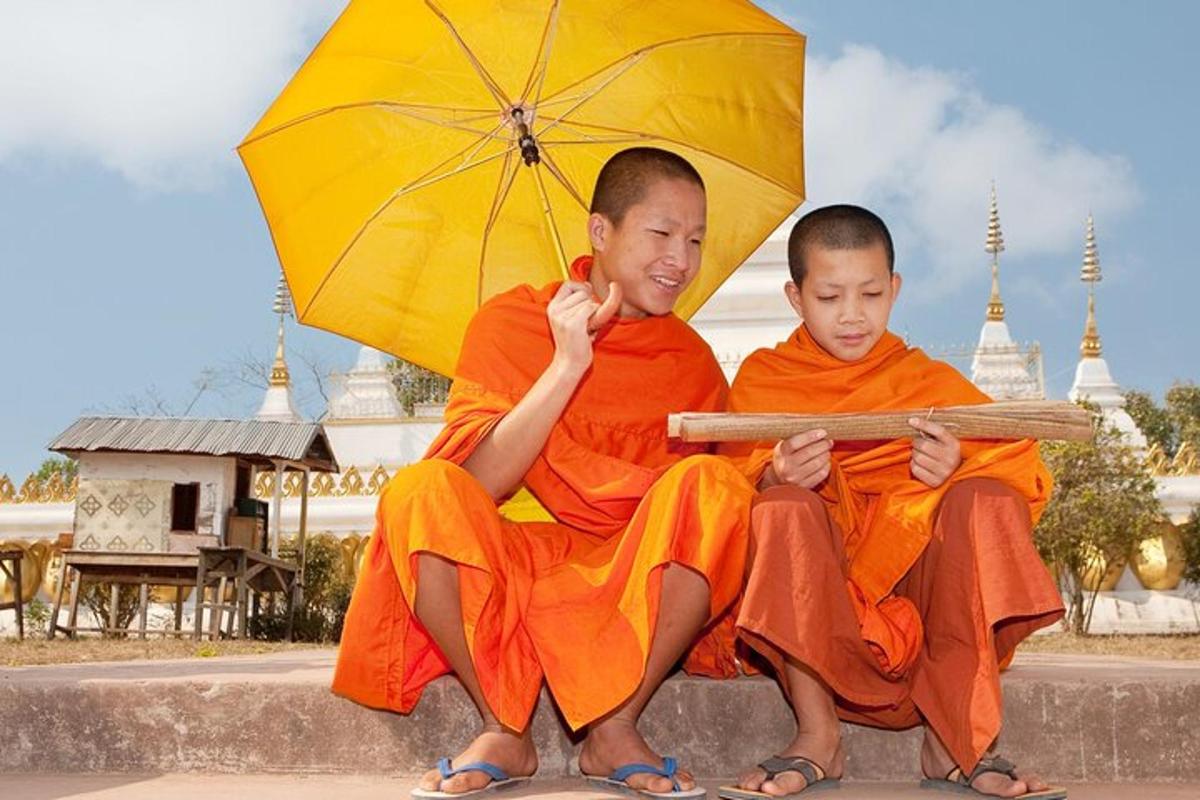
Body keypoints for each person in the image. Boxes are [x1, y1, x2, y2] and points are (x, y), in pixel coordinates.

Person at [333, 147, 756, 799]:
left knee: (719, 488)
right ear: (600, 231)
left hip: (621, 574)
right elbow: (474, 483)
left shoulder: (690, 361)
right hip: (510, 566)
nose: (681, 259)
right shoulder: (511, 323)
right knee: (419, 491)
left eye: (696, 240)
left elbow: (699, 514)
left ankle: (616, 725)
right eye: (662, 233)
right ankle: (504, 724)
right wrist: (565, 365)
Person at [719, 205, 1066, 799]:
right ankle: (817, 735)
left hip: (919, 598)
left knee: (983, 496)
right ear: (796, 298)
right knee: (780, 508)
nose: (852, 315)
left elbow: (1018, 463)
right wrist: (774, 475)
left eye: (871, 294)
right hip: (820, 600)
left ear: (895, 290)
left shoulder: (925, 382)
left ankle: (955, 737)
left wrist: (956, 467)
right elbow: (721, 487)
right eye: (829, 297)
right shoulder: (766, 379)